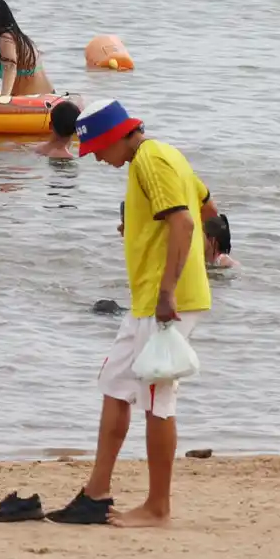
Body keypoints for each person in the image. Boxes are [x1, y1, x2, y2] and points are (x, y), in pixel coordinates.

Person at [48, 100, 218, 529]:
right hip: (146, 299)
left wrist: (168, 291)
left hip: (165, 300)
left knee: (157, 400)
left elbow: (184, 223)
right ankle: (96, 493)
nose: (100, 161)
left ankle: (157, 507)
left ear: (114, 137)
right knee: (114, 384)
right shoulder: (167, 154)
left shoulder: (149, 159)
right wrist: (143, 227)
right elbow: (206, 208)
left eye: (99, 151)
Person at [0, 0, 54, 97]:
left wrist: (4, 99)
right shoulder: (14, 38)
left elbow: (10, 68)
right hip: (45, 99)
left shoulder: (6, 39)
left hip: (38, 104)